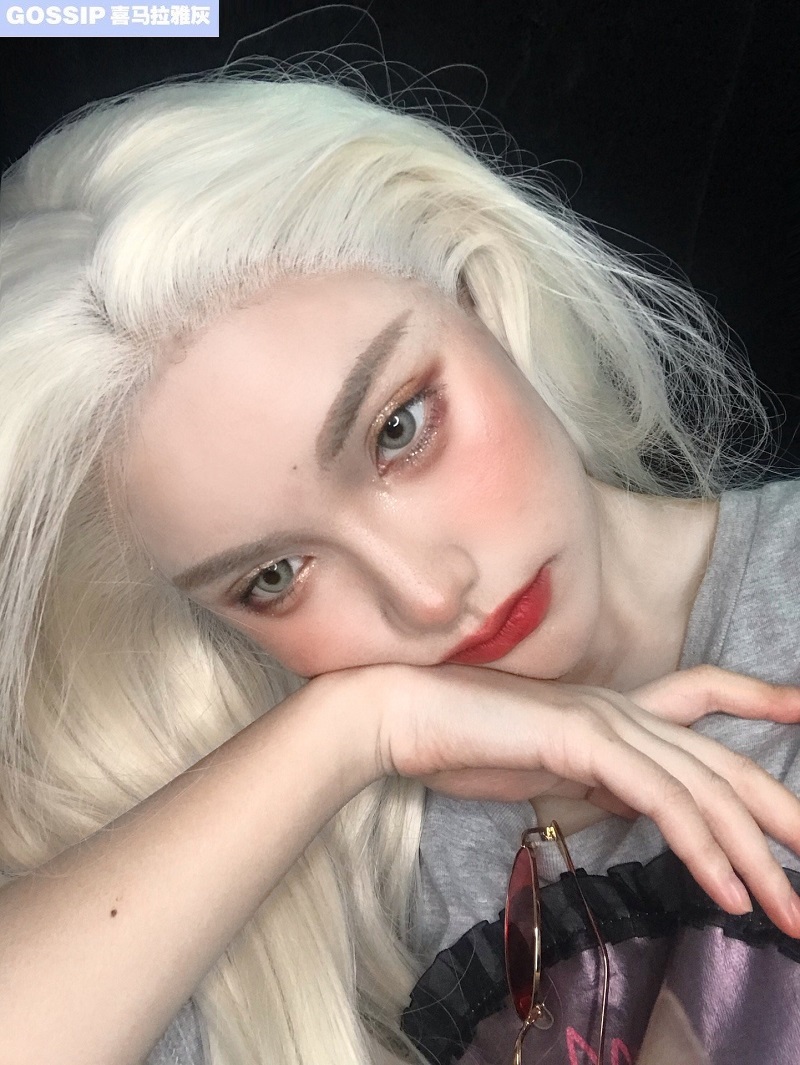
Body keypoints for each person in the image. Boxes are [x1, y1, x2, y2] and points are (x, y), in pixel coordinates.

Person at [0, 66, 798, 1065]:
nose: (425, 596)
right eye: (274, 576)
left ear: (476, 293)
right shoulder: (279, 866)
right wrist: (352, 730)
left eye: (398, 429)